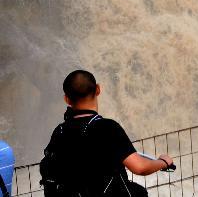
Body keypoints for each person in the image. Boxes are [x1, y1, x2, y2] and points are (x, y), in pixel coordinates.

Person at [39, 70, 174, 197]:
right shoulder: (108, 128)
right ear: (98, 89)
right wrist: (163, 162)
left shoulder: (60, 131)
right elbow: (140, 167)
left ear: (67, 99)